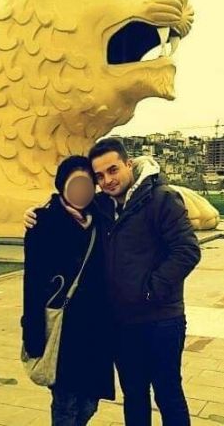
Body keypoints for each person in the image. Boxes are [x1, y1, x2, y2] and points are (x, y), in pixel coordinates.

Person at [25, 139, 201, 426]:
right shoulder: (103, 206)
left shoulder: (162, 199)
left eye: (113, 170)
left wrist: (149, 291)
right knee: (134, 394)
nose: (108, 180)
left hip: (161, 319)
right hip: (123, 323)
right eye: (100, 176)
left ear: (128, 164)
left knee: (167, 392)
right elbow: (66, 200)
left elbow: (187, 251)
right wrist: (38, 214)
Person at [21, 155, 115, 426]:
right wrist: (32, 331)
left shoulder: (101, 217)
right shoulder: (44, 222)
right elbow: (32, 280)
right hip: (64, 330)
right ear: (62, 186)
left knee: (89, 404)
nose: (80, 191)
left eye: (86, 185)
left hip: (96, 330)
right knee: (66, 404)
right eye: (75, 185)